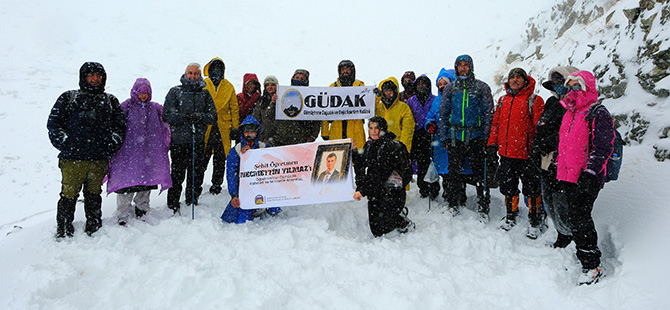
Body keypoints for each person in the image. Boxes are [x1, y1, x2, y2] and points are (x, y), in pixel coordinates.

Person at [47, 62, 126, 238]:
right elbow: (54, 124)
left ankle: (94, 224)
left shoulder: (110, 100)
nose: (95, 79)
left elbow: (120, 127)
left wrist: (112, 143)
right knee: (69, 193)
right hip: (73, 158)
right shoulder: (69, 98)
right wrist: (65, 142)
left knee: (93, 193)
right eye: (91, 75)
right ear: (84, 77)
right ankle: (64, 227)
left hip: (98, 159)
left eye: (99, 76)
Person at [555, 70, 614, 285]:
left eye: (576, 86)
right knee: (575, 217)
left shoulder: (597, 112)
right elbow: (565, 145)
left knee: (581, 219)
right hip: (569, 176)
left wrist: (590, 173)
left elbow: (603, 146)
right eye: (569, 87)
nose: (572, 91)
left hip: (586, 178)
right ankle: (584, 255)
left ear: (587, 87)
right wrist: (558, 165)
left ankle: (592, 265)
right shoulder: (570, 112)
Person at [488, 68, 546, 236]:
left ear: (525, 80)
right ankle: (510, 213)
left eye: (519, 77)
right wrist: (492, 144)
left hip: (527, 155)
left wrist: (536, 148)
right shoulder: (502, 101)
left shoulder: (534, 101)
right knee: (508, 186)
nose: (515, 80)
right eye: (512, 77)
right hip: (506, 154)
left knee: (532, 188)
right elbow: (496, 125)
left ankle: (535, 217)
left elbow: (539, 128)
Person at [107, 78, 172, 225]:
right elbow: (113, 121)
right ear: (135, 92)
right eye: (141, 92)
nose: (144, 96)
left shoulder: (154, 108)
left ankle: (142, 210)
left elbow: (168, 116)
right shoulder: (126, 107)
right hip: (127, 155)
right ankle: (122, 215)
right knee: (126, 184)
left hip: (147, 154)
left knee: (145, 183)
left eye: (146, 93)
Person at [439, 54, 494, 219]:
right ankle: (453, 203)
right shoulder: (450, 88)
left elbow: (488, 113)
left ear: (471, 67)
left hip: (476, 136)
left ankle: (483, 206)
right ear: (456, 68)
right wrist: (444, 136)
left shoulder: (481, 88)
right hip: (455, 137)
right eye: (460, 65)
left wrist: (485, 137)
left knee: (480, 173)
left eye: (466, 65)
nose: (463, 68)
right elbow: (444, 113)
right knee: (453, 173)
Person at [532, 66, 580, 247]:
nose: (557, 85)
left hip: (564, 162)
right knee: (549, 199)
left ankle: (572, 236)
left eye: (561, 81)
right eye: (555, 82)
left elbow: (572, 131)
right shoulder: (552, 103)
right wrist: (537, 146)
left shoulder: (576, 104)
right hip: (546, 161)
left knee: (562, 201)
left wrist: (550, 141)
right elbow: (542, 126)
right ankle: (562, 234)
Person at [163, 63, 217, 214]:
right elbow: (167, 115)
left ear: (200, 75)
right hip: (179, 141)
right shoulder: (175, 92)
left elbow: (213, 117)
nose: (192, 76)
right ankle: (173, 203)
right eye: (190, 73)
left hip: (197, 140)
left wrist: (200, 117)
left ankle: (192, 200)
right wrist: (185, 117)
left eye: (196, 74)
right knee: (177, 174)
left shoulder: (205, 93)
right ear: (185, 74)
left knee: (196, 173)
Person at [353, 116, 414, 237]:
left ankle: (401, 221)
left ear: (383, 129)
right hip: (377, 189)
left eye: (377, 128)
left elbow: (380, 174)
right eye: (370, 128)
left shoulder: (389, 147)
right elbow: (362, 162)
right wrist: (354, 150)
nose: (373, 131)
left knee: (383, 226)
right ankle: (392, 217)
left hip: (392, 191)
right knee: (376, 228)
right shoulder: (371, 144)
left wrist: (363, 190)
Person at [220, 116, 280, 223]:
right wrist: (234, 195)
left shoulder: (264, 148)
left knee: (274, 212)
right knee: (242, 219)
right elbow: (231, 175)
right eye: (247, 132)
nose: (250, 134)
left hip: (264, 188)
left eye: (253, 132)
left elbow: (275, 168)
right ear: (242, 133)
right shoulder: (236, 151)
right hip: (244, 191)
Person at [200, 57, 239, 195]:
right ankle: (196, 185)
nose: (216, 71)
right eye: (214, 68)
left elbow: (234, 108)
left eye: (219, 68)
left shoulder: (229, 86)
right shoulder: (203, 84)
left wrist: (235, 127)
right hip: (206, 128)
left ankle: (216, 185)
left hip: (223, 129)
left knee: (220, 160)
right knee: (202, 158)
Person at [321, 60, 366, 151]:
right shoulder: (332, 88)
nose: (345, 71)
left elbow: (371, 107)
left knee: (357, 160)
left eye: (348, 69)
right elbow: (324, 111)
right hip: (336, 129)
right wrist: (325, 132)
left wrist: (377, 96)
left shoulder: (361, 87)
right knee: (337, 159)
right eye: (343, 69)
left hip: (356, 129)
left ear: (352, 71)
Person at [406, 74, 438, 199]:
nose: (422, 87)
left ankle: (434, 189)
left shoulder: (434, 99)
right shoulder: (411, 101)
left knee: (433, 163)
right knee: (421, 163)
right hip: (417, 136)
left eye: (424, 84)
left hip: (432, 135)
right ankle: (423, 188)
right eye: (419, 84)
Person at [272, 69, 321, 146]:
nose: (299, 80)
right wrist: (273, 103)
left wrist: (312, 137)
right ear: (292, 79)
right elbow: (269, 116)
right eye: (297, 78)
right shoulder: (283, 94)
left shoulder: (311, 97)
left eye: (302, 79)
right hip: (281, 140)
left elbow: (316, 119)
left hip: (302, 141)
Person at [374, 77, 415, 152]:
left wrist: (403, 149)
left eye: (391, 90)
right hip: (379, 148)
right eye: (386, 90)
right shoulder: (378, 107)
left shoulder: (403, 108)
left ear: (395, 91)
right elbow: (368, 112)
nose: (388, 93)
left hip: (396, 148)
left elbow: (407, 131)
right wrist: (376, 97)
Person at [252, 75, 279, 146]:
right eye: (267, 85)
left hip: (278, 136)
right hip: (264, 136)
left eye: (273, 85)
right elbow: (256, 118)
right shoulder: (261, 101)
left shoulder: (282, 99)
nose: (270, 87)